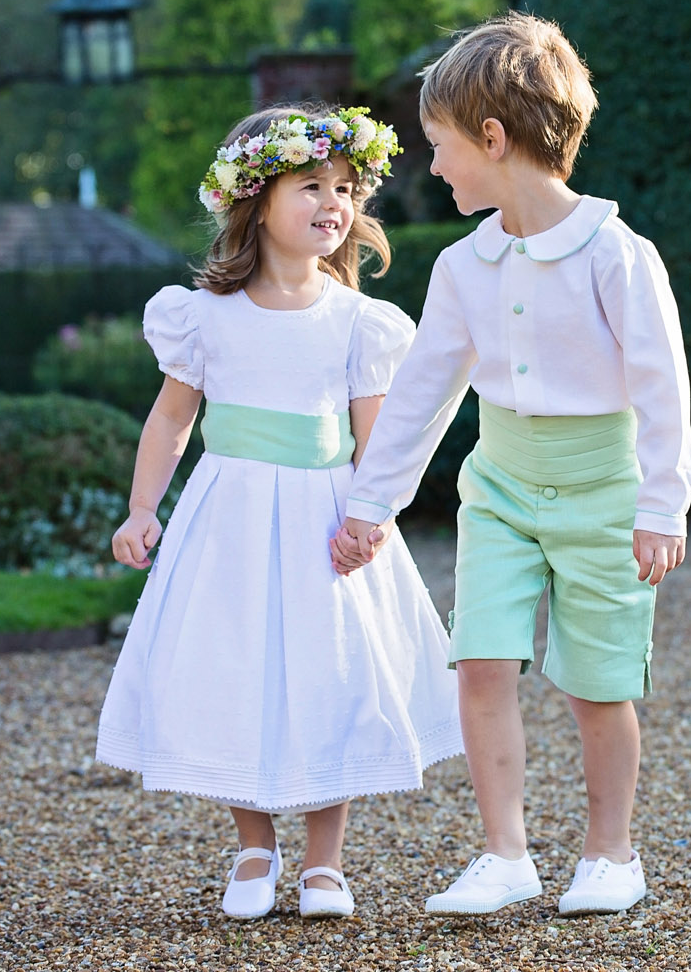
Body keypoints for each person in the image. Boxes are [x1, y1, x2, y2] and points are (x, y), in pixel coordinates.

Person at [331, 12, 691, 917]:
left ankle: (611, 855)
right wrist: (371, 505)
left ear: (493, 139)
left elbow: (662, 388)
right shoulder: (464, 266)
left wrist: (663, 505)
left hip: (604, 490)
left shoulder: (617, 254)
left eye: (441, 145)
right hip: (497, 487)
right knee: (482, 661)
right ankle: (507, 855)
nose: (435, 165)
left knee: (596, 683)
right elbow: (422, 394)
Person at [96, 105, 462, 922]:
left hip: (324, 521)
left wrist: (372, 519)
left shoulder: (360, 324)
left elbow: (378, 441)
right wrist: (141, 507)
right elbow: (171, 418)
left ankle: (324, 863)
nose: (332, 202)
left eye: (343, 188)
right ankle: (254, 845)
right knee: (239, 669)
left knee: (329, 674)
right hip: (228, 519)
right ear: (256, 202)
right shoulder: (203, 316)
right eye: (310, 186)